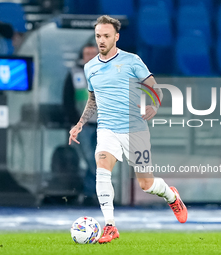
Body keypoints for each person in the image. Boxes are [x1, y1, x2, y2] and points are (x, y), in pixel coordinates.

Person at [69, 15, 188, 244]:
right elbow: (93, 100)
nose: (101, 40)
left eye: (106, 36)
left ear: (116, 37)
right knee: (102, 167)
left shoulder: (132, 61)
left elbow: (156, 89)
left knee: (147, 184)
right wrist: (80, 123)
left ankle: (172, 196)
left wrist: (154, 105)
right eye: (98, 36)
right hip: (107, 129)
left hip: (135, 130)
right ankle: (110, 226)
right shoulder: (90, 67)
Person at [63, 43, 99, 206]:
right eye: (87, 53)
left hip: (103, 123)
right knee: (91, 159)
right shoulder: (75, 74)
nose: (90, 56)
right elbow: (68, 100)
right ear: (82, 55)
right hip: (83, 125)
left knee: (99, 159)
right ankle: (101, 191)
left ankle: (89, 194)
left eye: (93, 53)